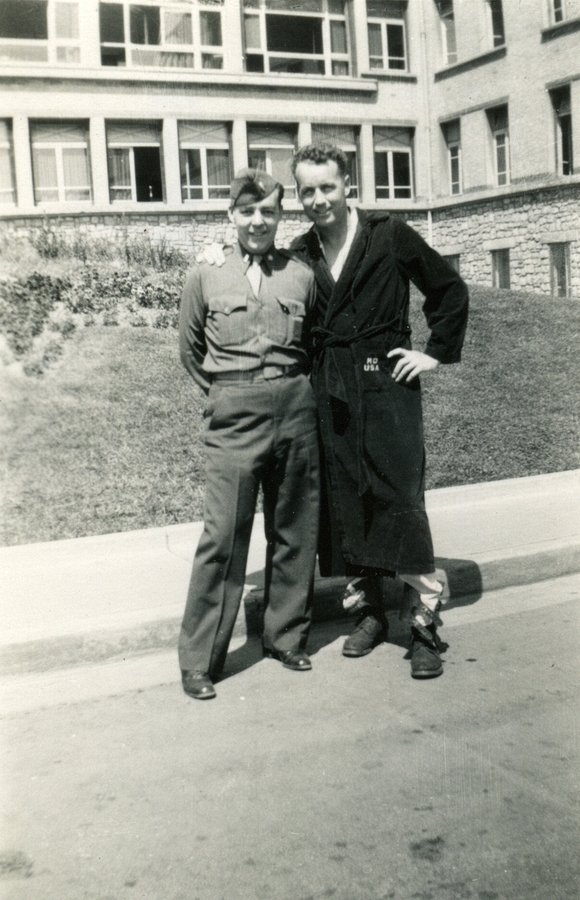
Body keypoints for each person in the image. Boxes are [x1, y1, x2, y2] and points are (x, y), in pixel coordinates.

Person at [290, 143, 469, 679]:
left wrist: (433, 353)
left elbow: (448, 289)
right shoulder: (301, 252)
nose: (318, 199)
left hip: (386, 384)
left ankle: (421, 625)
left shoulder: (388, 234)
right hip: (331, 390)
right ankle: (368, 611)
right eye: (307, 190)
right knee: (347, 499)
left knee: (398, 498)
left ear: (347, 184)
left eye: (327, 186)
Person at [178, 168, 320, 700]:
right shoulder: (206, 274)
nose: (258, 221)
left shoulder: (298, 275)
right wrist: (222, 396)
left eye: (269, 212)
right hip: (234, 411)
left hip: (294, 408)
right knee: (223, 536)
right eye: (248, 211)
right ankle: (200, 659)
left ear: (280, 217)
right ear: (231, 216)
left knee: (294, 528)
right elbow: (190, 349)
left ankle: (284, 636)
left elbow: (316, 344)